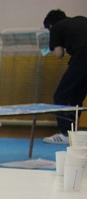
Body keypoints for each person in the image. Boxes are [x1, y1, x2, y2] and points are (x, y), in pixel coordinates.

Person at [42, 9, 87, 144]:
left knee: (61, 95)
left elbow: (59, 53)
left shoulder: (56, 27)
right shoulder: (80, 19)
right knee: (76, 96)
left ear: (50, 25)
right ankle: (73, 133)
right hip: (82, 58)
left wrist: (54, 45)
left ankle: (65, 134)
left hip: (83, 57)